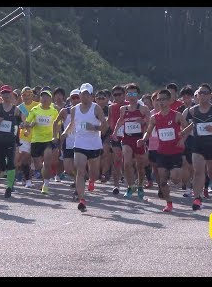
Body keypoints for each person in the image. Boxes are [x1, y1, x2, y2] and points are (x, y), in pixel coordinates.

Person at [181, 83, 212, 209]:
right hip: (197, 145)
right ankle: (197, 198)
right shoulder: (192, 110)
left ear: (210, 95)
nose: (202, 95)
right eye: (200, 93)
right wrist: (184, 131)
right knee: (198, 172)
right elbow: (194, 125)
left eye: (205, 93)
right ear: (197, 95)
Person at [137, 89, 188, 212]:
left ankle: (178, 177)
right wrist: (143, 140)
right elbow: (148, 132)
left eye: (163, 99)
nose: (161, 102)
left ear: (170, 100)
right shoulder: (154, 117)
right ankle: (169, 203)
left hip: (175, 152)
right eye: (158, 100)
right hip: (162, 153)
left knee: (175, 179)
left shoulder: (177, 115)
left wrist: (183, 139)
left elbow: (187, 128)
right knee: (162, 182)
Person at [61, 83, 108, 212]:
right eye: (82, 94)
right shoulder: (74, 109)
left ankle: (92, 180)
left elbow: (105, 127)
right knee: (80, 171)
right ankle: (82, 199)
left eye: (87, 94)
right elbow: (72, 124)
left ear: (92, 96)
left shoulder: (96, 108)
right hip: (80, 144)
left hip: (94, 145)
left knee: (94, 174)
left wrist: (95, 128)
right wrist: (65, 133)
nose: (84, 96)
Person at [111, 83, 150, 200]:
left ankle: (140, 185)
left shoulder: (143, 108)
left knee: (140, 166)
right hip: (127, 138)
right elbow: (120, 121)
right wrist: (114, 132)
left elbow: (150, 123)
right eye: (129, 93)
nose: (131, 96)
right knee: (126, 163)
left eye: (133, 93)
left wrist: (142, 121)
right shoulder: (123, 109)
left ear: (137, 95)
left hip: (139, 139)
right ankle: (130, 186)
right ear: (126, 95)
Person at [0, 85, 22, 198]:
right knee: (2, 166)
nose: (6, 95)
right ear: (0, 95)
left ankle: (9, 187)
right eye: (3, 93)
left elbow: (24, 121)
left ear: (11, 94)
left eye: (8, 93)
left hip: (10, 140)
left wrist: (24, 125)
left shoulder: (16, 109)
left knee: (11, 164)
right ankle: (1, 171)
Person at [24, 87, 59, 195]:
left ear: (50, 99)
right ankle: (45, 178)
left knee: (47, 163)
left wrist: (56, 136)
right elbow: (27, 123)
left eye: (47, 97)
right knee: (39, 166)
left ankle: (46, 185)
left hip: (48, 140)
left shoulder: (54, 111)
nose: (44, 99)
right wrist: (28, 127)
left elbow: (57, 125)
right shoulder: (35, 110)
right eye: (42, 96)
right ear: (40, 98)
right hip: (36, 140)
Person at [17, 86, 40, 188]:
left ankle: (44, 182)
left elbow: (38, 119)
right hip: (24, 136)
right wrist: (21, 125)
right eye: (24, 95)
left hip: (37, 136)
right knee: (25, 158)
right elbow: (17, 123)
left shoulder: (38, 106)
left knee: (35, 160)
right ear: (21, 96)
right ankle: (28, 179)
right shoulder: (19, 108)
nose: (26, 97)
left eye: (28, 95)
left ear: (32, 96)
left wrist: (31, 125)